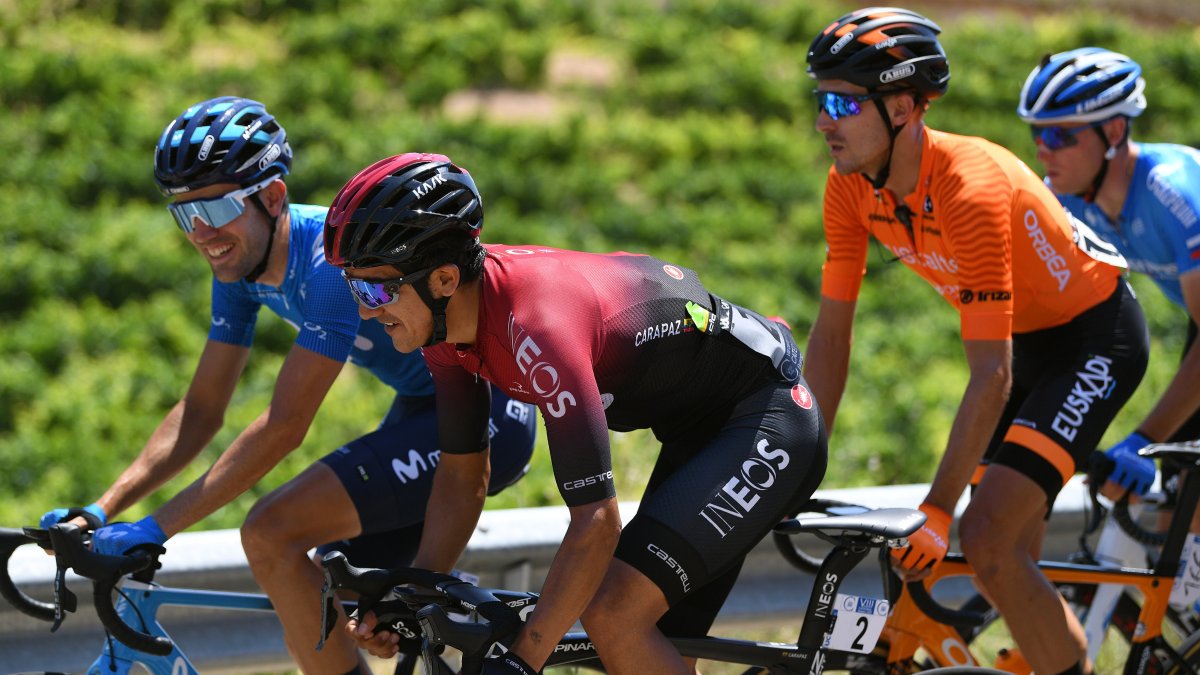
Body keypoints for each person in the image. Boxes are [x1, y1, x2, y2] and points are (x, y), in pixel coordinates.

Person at [37, 97, 538, 675]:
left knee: (272, 532)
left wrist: (155, 528)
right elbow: (201, 409)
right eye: (184, 214)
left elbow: (285, 426)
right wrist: (102, 509)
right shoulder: (239, 270)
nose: (201, 232)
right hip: (425, 406)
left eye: (217, 208)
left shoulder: (329, 266)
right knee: (335, 587)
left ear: (273, 197)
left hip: (488, 414)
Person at [323, 152, 828, 674]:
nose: (365, 309)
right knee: (648, 649)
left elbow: (596, 522)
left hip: (768, 418)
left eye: (375, 289)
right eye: (353, 287)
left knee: (613, 613)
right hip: (698, 435)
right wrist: (411, 596)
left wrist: (524, 660)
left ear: (445, 279)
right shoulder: (444, 328)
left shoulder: (538, 330)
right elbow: (463, 475)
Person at [803, 9, 1149, 675]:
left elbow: (990, 374)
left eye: (843, 101)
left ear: (903, 105)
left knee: (986, 536)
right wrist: (802, 455)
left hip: (1093, 338)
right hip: (1024, 341)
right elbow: (832, 338)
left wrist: (937, 507)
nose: (824, 120)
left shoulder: (970, 187)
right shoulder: (848, 187)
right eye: (821, 100)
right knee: (997, 561)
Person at [1017, 48, 1200, 502]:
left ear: (1114, 130)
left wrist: (1143, 436)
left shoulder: (1172, 193)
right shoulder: (1063, 198)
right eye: (1038, 135)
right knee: (1177, 502)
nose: (1043, 150)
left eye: (1060, 136)